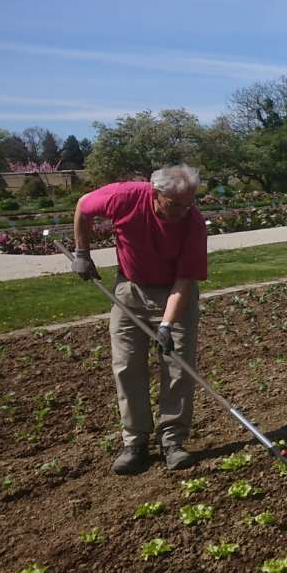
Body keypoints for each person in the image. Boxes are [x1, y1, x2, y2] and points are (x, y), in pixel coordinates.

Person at [72, 164, 208, 474]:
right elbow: (83, 206)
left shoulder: (193, 224)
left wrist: (166, 324)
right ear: (155, 194)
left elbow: (185, 281)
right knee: (126, 364)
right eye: (176, 205)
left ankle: (172, 441)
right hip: (129, 289)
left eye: (190, 204)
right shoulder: (124, 197)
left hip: (175, 294)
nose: (183, 212)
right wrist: (82, 252)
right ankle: (134, 443)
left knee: (178, 366)